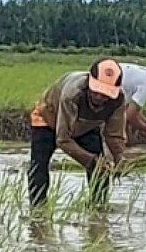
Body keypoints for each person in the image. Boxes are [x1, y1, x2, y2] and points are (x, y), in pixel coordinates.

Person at [28, 58, 127, 208]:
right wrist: (90, 160)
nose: (99, 97)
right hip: (49, 117)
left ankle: (98, 208)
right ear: (89, 81)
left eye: (106, 94)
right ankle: (38, 209)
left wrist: (119, 158)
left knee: (101, 169)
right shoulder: (73, 94)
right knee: (39, 165)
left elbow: (114, 135)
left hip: (85, 125)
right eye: (96, 91)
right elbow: (63, 139)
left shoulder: (118, 100)